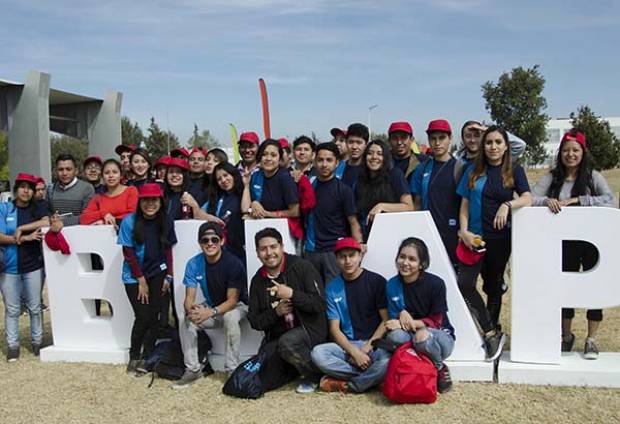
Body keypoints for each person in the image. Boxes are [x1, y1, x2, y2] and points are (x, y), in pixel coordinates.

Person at [531, 130, 616, 360]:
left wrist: (580, 200)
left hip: (591, 243)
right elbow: (530, 197)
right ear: (560, 153)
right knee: (564, 289)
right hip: (564, 244)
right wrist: (547, 201)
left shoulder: (592, 177)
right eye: (566, 150)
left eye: (575, 150)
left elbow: (611, 201)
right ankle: (566, 336)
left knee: (593, 290)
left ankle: (591, 339)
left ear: (583, 152)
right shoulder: (552, 178)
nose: (570, 154)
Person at [456, 125, 532, 360]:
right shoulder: (472, 171)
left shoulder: (514, 170)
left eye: (498, 142)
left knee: (493, 286)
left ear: (506, 145)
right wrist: (464, 232)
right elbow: (465, 206)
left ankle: (492, 335)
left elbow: (528, 198)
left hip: (500, 239)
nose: (493, 147)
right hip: (474, 239)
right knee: (465, 283)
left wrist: (508, 205)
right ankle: (490, 331)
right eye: (489, 142)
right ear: (483, 146)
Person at [247, 228, 327, 394]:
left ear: (282, 246)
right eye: (263, 249)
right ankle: (295, 370)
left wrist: (292, 294)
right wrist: (276, 313)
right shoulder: (257, 280)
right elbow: (254, 321)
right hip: (277, 335)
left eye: (273, 246)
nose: (269, 253)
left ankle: (315, 375)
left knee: (288, 342)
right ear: (257, 253)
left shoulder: (302, 267)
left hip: (309, 330)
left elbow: (319, 304)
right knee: (266, 379)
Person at [173, 222, 249, 388]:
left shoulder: (233, 263)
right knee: (184, 317)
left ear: (221, 241)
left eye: (214, 239)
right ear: (200, 243)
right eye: (205, 240)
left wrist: (210, 312)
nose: (210, 243)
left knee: (229, 316)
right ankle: (193, 369)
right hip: (213, 306)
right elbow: (189, 298)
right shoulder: (194, 263)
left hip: (237, 307)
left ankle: (231, 370)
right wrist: (191, 311)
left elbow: (232, 300)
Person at [311, 237, 390, 393]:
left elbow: (386, 320)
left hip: (374, 344)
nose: (347, 261)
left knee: (386, 361)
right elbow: (334, 329)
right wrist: (354, 352)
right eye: (342, 257)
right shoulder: (332, 288)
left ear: (360, 256)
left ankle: (350, 385)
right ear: (336, 260)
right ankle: (372, 378)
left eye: (352, 255)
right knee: (318, 354)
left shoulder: (377, 281)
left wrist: (366, 349)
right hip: (348, 347)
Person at [117, 183, 176, 374]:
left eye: (154, 199)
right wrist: (140, 279)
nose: (150, 203)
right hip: (135, 275)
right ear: (140, 202)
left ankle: (148, 354)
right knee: (142, 316)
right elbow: (128, 253)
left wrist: (169, 275)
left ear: (160, 201)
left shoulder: (166, 221)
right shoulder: (129, 221)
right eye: (146, 200)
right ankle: (134, 355)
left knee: (155, 316)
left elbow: (168, 250)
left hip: (158, 272)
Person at [384, 237, 455, 393]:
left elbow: (437, 321)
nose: (405, 263)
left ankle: (440, 368)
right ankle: (421, 361)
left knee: (422, 336)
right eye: (402, 257)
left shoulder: (436, 284)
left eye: (412, 259)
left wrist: (412, 323)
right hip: (410, 336)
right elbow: (393, 321)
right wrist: (401, 314)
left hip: (440, 338)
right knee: (394, 337)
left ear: (422, 264)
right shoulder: (392, 285)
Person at [0, 173, 50, 361]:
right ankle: (13, 346)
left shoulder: (37, 208)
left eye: (30, 187)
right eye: (22, 186)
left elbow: (46, 222)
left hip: (33, 266)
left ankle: (37, 342)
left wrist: (22, 228)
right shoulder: (5, 208)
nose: (26, 190)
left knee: (35, 307)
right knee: (12, 309)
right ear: (16, 189)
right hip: (8, 268)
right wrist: (22, 238)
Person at [304, 142, 363, 284]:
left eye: (329, 160)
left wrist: (358, 250)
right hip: (311, 250)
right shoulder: (308, 187)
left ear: (337, 163)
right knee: (314, 294)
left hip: (334, 252)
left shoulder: (344, 190)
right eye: (320, 160)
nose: (324, 164)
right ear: (314, 161)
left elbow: (353, 222)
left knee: (335, 295)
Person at [411, 119, 462, 268]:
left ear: (450, 138)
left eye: (442, 138)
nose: (437, 143)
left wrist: (463, 230)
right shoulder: (422, 169)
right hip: (428, 232)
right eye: (433, 138)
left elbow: (466, 203)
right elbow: (417, 202)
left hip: (453, 234)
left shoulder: (460, 168)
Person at [355, 140, 413, 241]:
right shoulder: (360, 180)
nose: (374, 157)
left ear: (385, 157)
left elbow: (409, 207)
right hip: (367, 238)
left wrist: (381, 206)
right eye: (370, 153)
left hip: (392, 236)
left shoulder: (395, 175)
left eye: (379, 154)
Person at [193, 162, 245, 262]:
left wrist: (246, 186)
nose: (223, 180)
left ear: (233, 174)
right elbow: (198, 214)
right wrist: (212, 218)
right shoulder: (217, 197)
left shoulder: (243, 193)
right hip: (219, 248)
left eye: (226, 175)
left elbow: (246, 209)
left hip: (239, 249)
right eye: (219, 179)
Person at [241, 139, 300, 220]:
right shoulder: (255, 176)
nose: (268, 158)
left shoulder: (285, 178)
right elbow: (246, 210)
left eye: (273, 155)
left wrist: (267, 213)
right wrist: (247, 187)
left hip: (282, 228)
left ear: (279, 159)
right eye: (264, 154)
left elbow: (295, 211)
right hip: (259, 228)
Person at [80, 159, 139, 226]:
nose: (111, 175)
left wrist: (105, 221)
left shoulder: (131, 191)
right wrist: (103, 214)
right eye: (107, 173)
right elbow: (83, 219)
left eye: (115, 172)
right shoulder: (98, 197)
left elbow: (132, 216)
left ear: (121, 175)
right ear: (102, 176)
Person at [48, 153, 94, 230]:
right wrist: (51, 218)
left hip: (79, 234)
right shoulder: (50, 189)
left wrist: (63, 222)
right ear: (56, 171)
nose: (64, 173)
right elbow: (46, 214)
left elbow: (87, 216)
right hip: (56, 235)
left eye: (68, 169)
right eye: (60, 169)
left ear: (76, 171)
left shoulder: (87, 188)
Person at [457, 120, 526, 167]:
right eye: (468, 136)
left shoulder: (495, 157)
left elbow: (520, 145)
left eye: (477, 135)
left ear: (483, 137)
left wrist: (488, 130)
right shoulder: (457, 161)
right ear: (463, 139)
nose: (472, 140)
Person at [340, 123, 369, 187]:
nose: (354, 147)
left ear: (366, 145)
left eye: (359, 142)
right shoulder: (338, 168)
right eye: (351, 142)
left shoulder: (370, 170)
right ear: (346, 143)